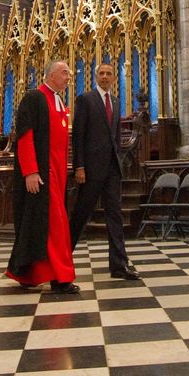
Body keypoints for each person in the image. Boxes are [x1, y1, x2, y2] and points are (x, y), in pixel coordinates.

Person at [5, 60, 79, 293]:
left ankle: (35, 274)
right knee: (54, 224)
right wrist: (31, 171)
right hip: (42, 174)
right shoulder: (35, 98)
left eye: (69, 73)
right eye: (64, 73)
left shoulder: (59, 101)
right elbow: (25, 138)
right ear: (50, 76)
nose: (68, 77)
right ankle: (61, 277)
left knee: (48, 225)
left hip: (57, 174)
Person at [69, 62, 139, 280]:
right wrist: (79, 166)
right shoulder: (85, 99)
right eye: (102, 73)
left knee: (115, 217)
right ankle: (60, 262)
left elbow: (116, 136)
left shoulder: (116, 102)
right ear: (95, 76)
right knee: (80, 216)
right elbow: (78, 136)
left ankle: (119, 265)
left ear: (114, 78)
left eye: (109, 74)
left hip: (111, 169)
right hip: (89, 169)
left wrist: (117, 159)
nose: (105, 77)